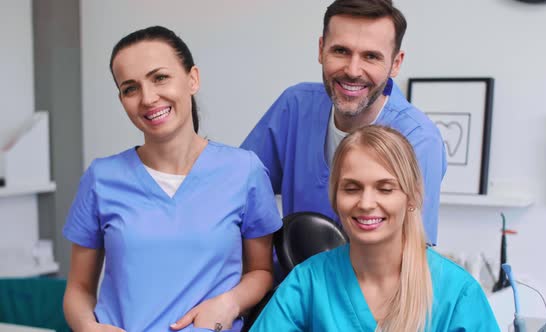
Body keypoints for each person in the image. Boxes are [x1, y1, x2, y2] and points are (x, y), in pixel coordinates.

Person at [62, 26, 282, 332]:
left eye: (159, 77)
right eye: (130, 88)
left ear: (192, 79)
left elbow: (260, 270)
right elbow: (79, 289)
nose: (148, 97)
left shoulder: (244, 171)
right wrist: (88, 327)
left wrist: (228, 304)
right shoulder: (101, 179)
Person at [250, 125, 499, 331]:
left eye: (385, 189)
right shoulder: (308, 283)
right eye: (351, 188)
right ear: (335, 197)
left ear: (411, 197)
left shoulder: (457, 295)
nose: (366, 203)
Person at [241, 0, 446, 245]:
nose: (353, 70)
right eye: (341, 51)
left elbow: (412, 256)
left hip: (365, 284)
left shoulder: (419, 140)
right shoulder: (295, 106)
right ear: (321, 49)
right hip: (289, 279)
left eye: (371, 56)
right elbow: (238, 191)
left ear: (396, 63)